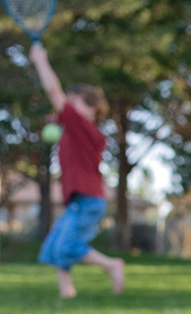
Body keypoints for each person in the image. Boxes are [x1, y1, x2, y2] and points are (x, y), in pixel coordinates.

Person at [29, 43, 124, 298]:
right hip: (80, 201)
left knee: (67, 246)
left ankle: (111, 265)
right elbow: (60, 117)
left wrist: (40, 60)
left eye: (75, 102)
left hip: (89, 200)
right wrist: (56, 122)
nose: (68, 105)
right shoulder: (75, 130)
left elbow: (53, 91)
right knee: (52, 248)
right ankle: (67, 292)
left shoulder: (86, 129)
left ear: (92, 109)